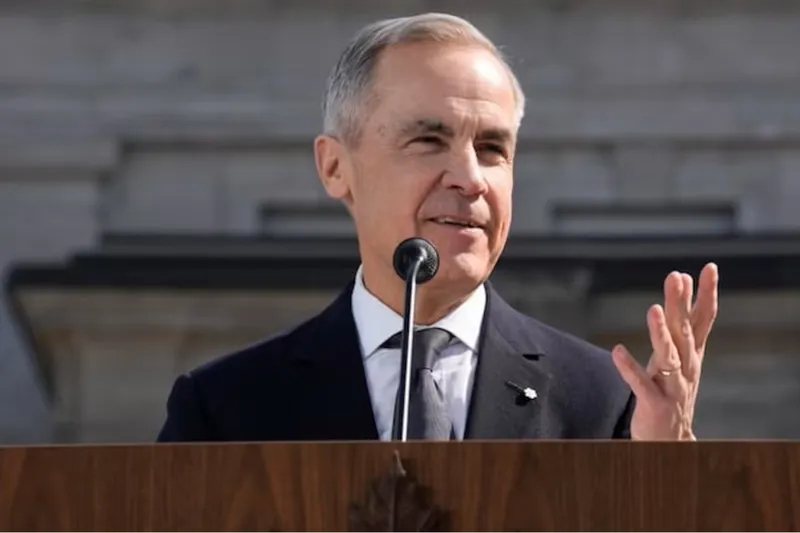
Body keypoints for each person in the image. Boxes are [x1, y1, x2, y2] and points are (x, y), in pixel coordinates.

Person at [157, 13, 719, 443]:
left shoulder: (605, 401)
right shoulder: (225, 407)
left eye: (492, 148)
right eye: (428, 141)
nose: (471, 179)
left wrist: (667, 479)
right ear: (335, 167)